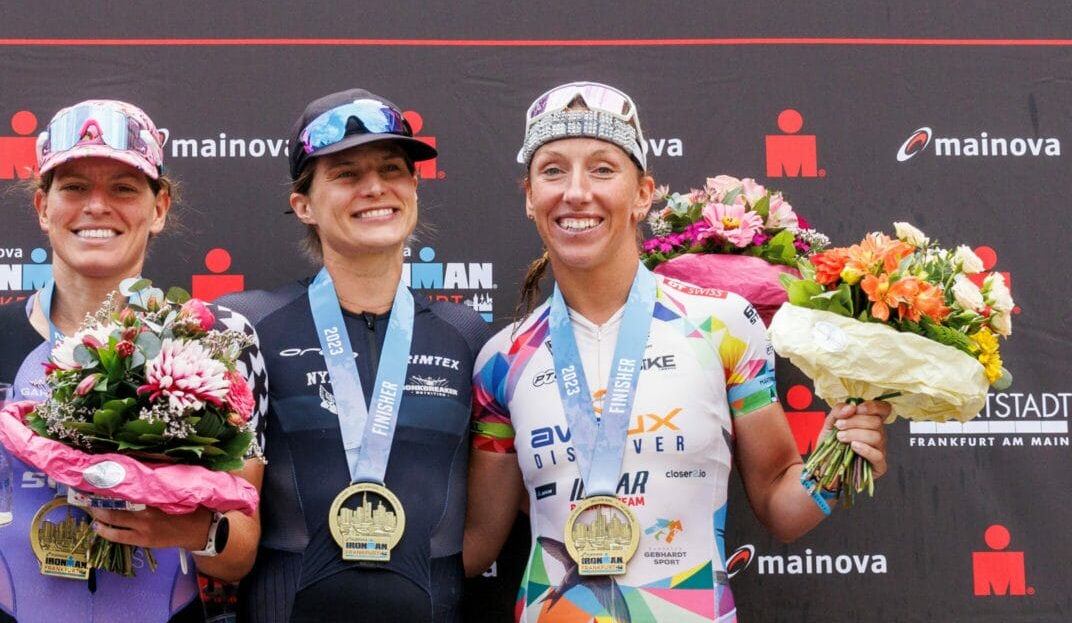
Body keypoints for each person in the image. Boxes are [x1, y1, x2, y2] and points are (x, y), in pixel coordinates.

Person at [463, 82, 892, 622]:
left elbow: (783, 509)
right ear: (529, 196)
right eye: (553, 171)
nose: (575, 192)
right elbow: (476, 546)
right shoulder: (502, 359)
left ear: (643, 193)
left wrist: (840, 455)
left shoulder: (724, 325)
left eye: (601, 169)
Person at [0, 100, 267, 622]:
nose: (96, 206)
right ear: (43, 206)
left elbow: (239, 555)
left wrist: (190, 530)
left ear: (160, 207)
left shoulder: (217, 340)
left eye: (124, 188)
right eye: (74, 187)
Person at [220, 89, 492, 622]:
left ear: (414, 187)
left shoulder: (468, 336)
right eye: (345, 174)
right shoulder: (245, 327)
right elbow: (223, 528)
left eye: (391, 169)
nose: (374, 188)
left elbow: (483, 537)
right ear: (304, 205)